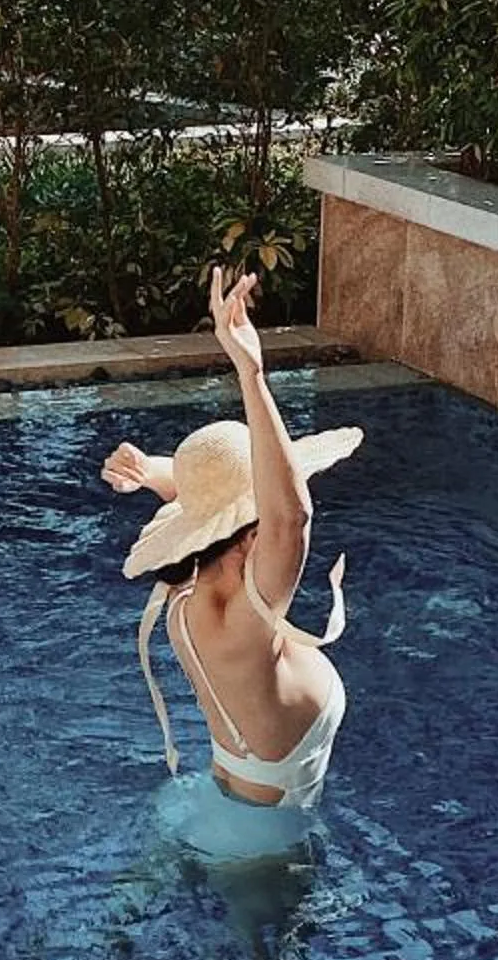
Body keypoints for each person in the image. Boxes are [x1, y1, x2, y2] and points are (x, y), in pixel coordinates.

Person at [105, 267, 362, 858]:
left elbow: (208, 501)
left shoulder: (192, 586)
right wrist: (252, 372)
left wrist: (153, 471)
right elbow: (290, 516)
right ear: (249, 533)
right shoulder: (247, 614)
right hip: (259, 839)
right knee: (265, 952)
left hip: (221, 798)